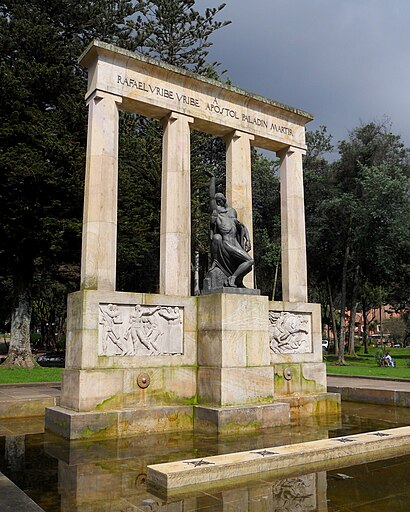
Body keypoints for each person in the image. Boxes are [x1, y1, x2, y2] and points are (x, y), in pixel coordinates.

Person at [206, 171, 254, 288]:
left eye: (221, 199)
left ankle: (235, 279)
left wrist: (248, 239)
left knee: (249, 264)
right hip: (226, 242)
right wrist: (212, 179)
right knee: (249, 261)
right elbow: (211, 197)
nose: (219, 201)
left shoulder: (232, 211)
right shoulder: (216, 212)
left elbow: (241, 226)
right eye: (218, 199)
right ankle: (232, 278)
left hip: (236, 242)